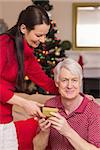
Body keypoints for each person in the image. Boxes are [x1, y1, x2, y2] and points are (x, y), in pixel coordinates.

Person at [0, 5, 59, 150]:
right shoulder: (3, 45)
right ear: (23, 29)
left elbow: (47, 83)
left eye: (45, 35)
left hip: (5, 120)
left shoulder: (26, 53)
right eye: (39, 35)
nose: (43, 40)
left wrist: (77, 95)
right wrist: (24, 103)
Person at [33, 58, 100, 150]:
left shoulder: (94, 111)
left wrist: (67, 131)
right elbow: (37, 147)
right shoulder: (50, 105)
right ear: (57, 83)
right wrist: (44, 132)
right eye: (64, 80)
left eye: (74, 80)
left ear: (80, 83)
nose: (69, 86)